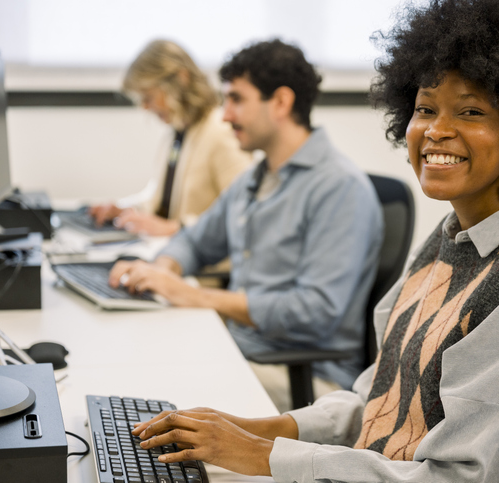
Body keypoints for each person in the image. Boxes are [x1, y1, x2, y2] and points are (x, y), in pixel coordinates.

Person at [126, 0, 499, 481]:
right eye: (425, 109)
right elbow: (377, 400)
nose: (436, 130)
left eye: (471, 111)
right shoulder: (451, 241)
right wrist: (256, 430)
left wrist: (261, 455)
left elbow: (459, 476)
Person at [109, 40, 384, 394]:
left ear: (281, 102)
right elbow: (195, 241)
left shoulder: (340, 188)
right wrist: (163, 271)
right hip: (244, 350)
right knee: (135, 358)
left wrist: (199, 297)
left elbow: (315, 312)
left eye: (236, 99)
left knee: (152, 383)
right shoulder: (254, 179)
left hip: (303, 374)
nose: (224, 115)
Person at [89, 40, 251, 236]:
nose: (146, 107)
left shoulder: (221, 132)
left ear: (181, 80)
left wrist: (173, 228)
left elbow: (243, 214)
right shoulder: (178, 133)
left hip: (208, 263)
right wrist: (123, 209)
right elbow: (161, 202)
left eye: (149, 97)